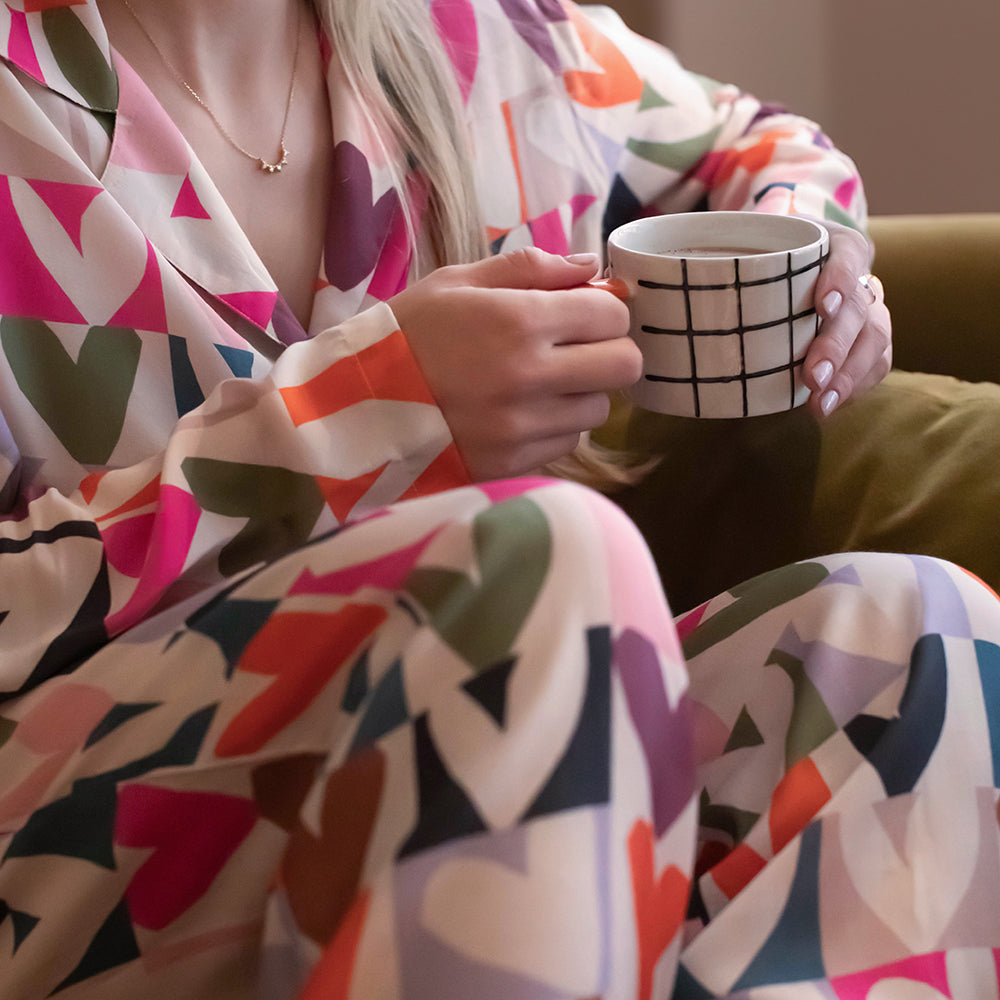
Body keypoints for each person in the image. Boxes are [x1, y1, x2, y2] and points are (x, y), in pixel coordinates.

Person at [0, 1, 997, 998]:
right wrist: (365, 411)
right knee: (536, 556)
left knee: (918, 640)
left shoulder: (476, 37)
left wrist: (816, 260)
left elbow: (755, 143)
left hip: (461, 760)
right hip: (68, 829)